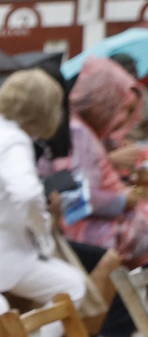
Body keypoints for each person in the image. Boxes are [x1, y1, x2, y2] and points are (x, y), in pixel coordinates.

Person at [0, 70, 120, 337]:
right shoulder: (13, 140)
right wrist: (44, 224)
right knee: (70, 287)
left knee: (67, 285)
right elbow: (26, 194)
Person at [62, 56, 145, 260]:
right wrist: (123, 199)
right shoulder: (79, 132)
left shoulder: (86, 130)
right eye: (124, 108)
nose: (124, 118)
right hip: (91, 233)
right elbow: (79, 196)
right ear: (105, 99)